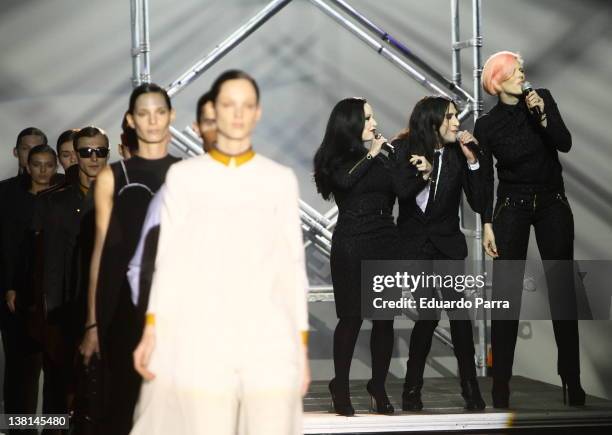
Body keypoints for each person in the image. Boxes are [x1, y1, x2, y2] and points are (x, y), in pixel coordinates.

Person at [130, 70, 309, 435]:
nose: (238, 114)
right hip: (202, 332)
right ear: (214, 109)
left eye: (247, 105)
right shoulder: (185, 178)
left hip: (267, 334)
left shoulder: (279, 179)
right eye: (229, 104)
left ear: (258, 112)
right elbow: (168, 261)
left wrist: (301, 345)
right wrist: (152, 329)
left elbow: (292, 267)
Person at [475, 51, 584, 408]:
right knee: (507, 296)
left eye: (522, 70)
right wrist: (487, 222)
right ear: (499, 80)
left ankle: (571, 377)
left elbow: (564, 143)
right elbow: (485, 177)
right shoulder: (487, 126)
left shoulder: (543, 101)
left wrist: (543, 116)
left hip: (552, 202)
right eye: (517, 71)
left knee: (563, 290)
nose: (523, 75)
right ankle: (501, 383)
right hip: (512, 207)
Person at [79, 83, 179, 434]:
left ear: (171, 116)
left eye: (159, 112)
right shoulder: (112, 176)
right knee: (121, 403)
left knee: (172, 405)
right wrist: (91, 322)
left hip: (172, 304)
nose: (152, 121)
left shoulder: (187, 174)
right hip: (119, 302)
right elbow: (101, 250)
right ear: (130, 120)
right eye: (143, 113)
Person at [313, 97, 416, 416]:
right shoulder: (335, 158)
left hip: (386, 242)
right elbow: (344, 182)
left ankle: (378, 387)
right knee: (352, 317)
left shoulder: (382, 157)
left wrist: (407, 161)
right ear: (351, 123)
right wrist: (373, 154)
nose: (374, 123)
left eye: (372, 117)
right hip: (351, 244)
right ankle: (340, 387)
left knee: (385, 319)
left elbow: (403, 191)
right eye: (367, 118)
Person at [392, 96, 486, 411]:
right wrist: (426, 174)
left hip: (447, 244)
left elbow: (479, 201)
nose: (457, 122)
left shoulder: (458, 155)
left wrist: (474, 161)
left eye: (457, 115)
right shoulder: (403, 150)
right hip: (416, 245)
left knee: (459, 315)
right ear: (432, 121)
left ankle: (471, 389)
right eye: (450, 116)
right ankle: (411, 390)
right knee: (428, 315)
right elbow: (401, 192)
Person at [31, 127, 109, 422]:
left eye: (100, 151)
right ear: (75, 155)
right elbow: (48, 262)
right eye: (87, 152)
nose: (93, 158)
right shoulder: (54, 201)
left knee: (102, 391)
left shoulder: (120, 194)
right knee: (60, 391)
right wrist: (48, 315)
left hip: (106, 306)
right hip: (65, 310)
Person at [127, 89, 217, 308]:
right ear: (197, 128)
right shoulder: (179, 187)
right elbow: (141, 268)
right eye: (212, 121)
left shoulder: (264, 185)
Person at [1, 144, 57, 427]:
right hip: (24, 293)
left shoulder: (63, 198)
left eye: (49, 164)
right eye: (37, 164)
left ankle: (54, 428)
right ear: (28, 165)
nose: (43, 170)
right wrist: (10, 286)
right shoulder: (14, 200)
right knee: (23, 371)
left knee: (57, 375)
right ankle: (19, 428)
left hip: (58, 295)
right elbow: (12, 249)